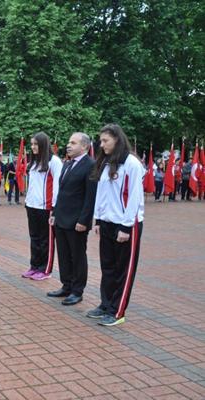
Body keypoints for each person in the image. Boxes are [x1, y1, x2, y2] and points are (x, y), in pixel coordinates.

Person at [87, 123, 145, 326]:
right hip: (107, 223)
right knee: (108, 267)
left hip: (126, 224)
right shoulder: (106, 162)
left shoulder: (132, 164)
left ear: (117, 140)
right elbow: (102, 195)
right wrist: (98, 219)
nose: (101, 145)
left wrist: (126, 227)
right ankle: (105, 304)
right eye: (101, 140)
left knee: (123, 269)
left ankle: (117, 311)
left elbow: (135, 198)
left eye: (105, 141)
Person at [47, 133, 97, 306]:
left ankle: (77, 290)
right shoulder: (68, 163)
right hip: (61, 218)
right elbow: (62, 193)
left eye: (73, 143)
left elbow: (90, 197)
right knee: (64, 254)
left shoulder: (90, 165)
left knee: (77, 256)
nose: (68, 145)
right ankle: (66, 285)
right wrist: (54, 213)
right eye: (68, 142)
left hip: (77, 221)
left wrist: (84, 221)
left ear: (84, 146)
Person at [22, 132, 63, 281]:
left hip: (46, 207)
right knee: (34, 238)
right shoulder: (33, 162)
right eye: (31, 144)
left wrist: (54, 208)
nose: (33, 147)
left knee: (46, 239)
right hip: (32, 206)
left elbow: (58, 186)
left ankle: (45, 269)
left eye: (35, 144)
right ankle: (34, 266)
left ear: (43, 145)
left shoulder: (54, 161)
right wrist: (28, 202)